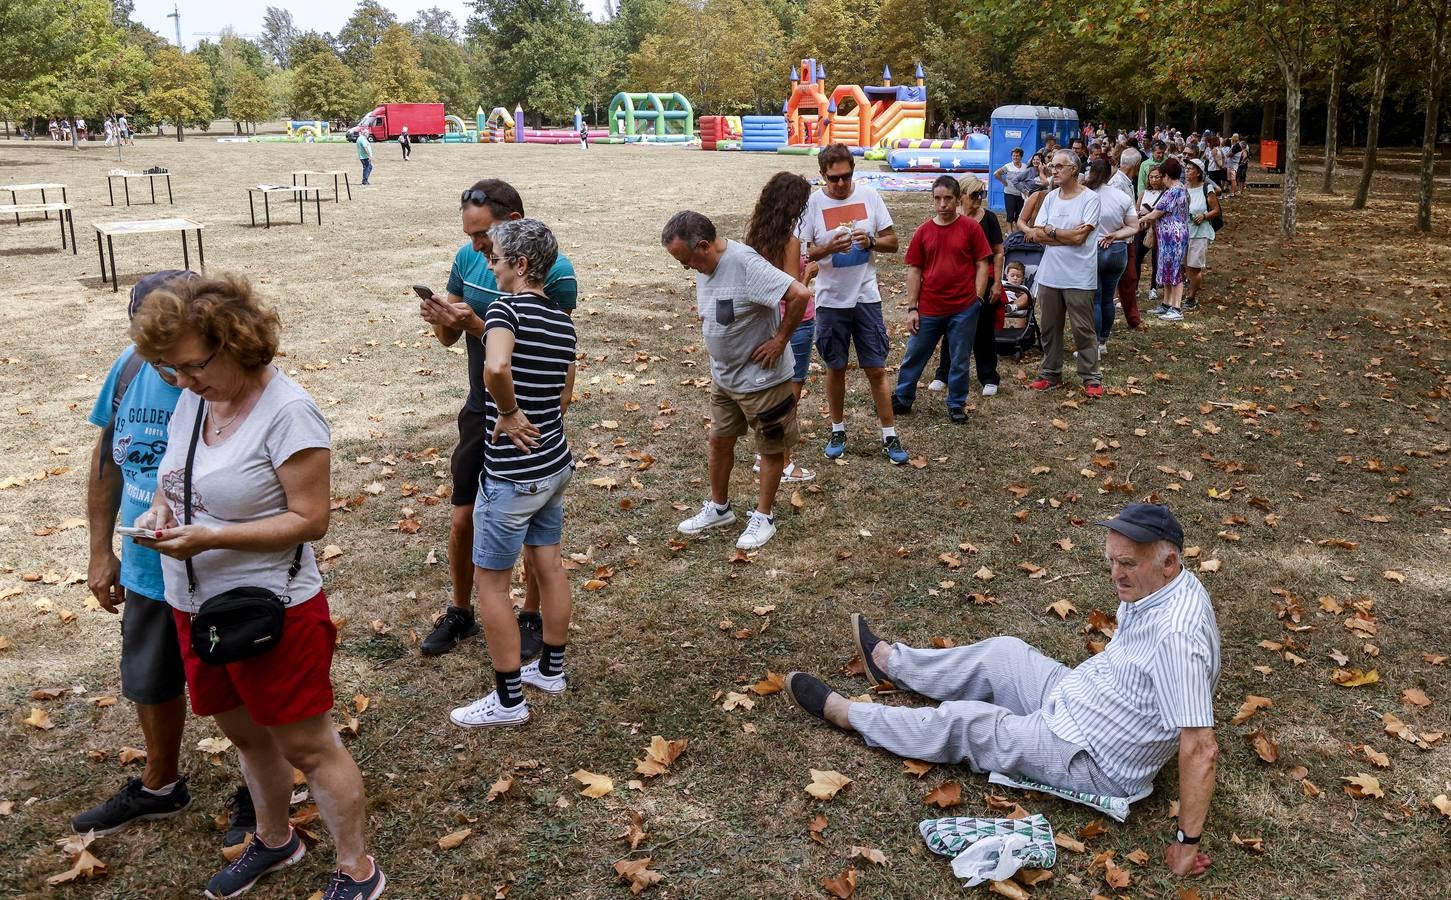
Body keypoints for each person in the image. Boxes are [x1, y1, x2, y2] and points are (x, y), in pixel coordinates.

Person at [784, 502, 1219, 878]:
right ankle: (892, 665)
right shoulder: (1165, 585)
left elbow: (1200, 748)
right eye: (1112, 560)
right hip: (1082, 697)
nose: (1116, 574)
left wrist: (1187, 843)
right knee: (1003, 654)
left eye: (1128, 564)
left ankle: (848, 714)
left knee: (969, 724)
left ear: (1169, 561)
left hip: (1093, 756)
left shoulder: (1177, 638)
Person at [129, 274, 384, 899]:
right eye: (171, 372)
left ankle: (359, 872)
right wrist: (160, 508)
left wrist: (210, 536)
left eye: (191, 366)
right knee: (243, 731)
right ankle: (276, 840)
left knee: (307, 744)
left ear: (236, 341)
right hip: (193, 602)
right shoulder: (197, 397)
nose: (183, 383)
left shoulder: (290, 413)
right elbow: (177, 473)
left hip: (272, 608)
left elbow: (310, 519)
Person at [71, 271, 254, 848]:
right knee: (149, 677)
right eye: (149, 344)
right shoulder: (129, 369)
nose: (167, 367)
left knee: (246, 681)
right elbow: (108, 461)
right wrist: (102, 551)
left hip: (223, 570)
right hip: (149, 564)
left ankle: (262, 790)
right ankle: (159, 785)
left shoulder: (230, 378)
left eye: (176, 353)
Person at [418, 179, 578, 658]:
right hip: (478, 409)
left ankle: (529, 617)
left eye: (484, 238)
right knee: (464, 514)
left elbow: (541, 351)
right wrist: (445, 319)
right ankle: (460, 612)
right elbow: (452, 342)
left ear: (511, 227)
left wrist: (480, 325)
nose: (476, 250)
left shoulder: (558, 275)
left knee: (530, 529)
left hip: (523, 421)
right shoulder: (469, 259)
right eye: (469, 236)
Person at [447, 219, 579, 729]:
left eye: (497, 258)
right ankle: (550, 669)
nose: (491, 264)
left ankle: (507, 700)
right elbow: (565, 394)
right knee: (548, 563)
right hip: (554, 465)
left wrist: (506, 411)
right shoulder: (563, 321)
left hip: (513, 474)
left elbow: (496, 368)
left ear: (520, 265)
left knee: (492, 584)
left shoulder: (505, 310)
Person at [664, 210, 812, 550]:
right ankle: (719, 508)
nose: (686, 267)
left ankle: (764, 517)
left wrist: (779, 341)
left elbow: (800, 295)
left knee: (771, 447)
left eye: (686, 260)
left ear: (703, 245)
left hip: (763, 381)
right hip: (725, 378)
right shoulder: (705, 264)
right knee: (719, 440)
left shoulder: (745, 263)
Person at [797, 143, 909, 465]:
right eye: (834, 179)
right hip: (831, 300)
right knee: (836, 366)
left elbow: (893, 242)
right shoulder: (813, 205)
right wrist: (826, 247)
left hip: (866, 297)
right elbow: (804, 255)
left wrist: (871, 241)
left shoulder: (870, 197)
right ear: (822, 176)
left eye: (846, 176)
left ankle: (889, 435)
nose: (842, 184)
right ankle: (837, 429)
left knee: (875, 367)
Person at [890, 176, 991, 424]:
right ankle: (903, 397)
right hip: (929, 307)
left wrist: (977, 298)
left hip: (964, 307)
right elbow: (914, 270)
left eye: (948, 198)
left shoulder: (971, 228)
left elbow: (982, 263)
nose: (942, 204)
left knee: (959, 358)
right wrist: (912, 307)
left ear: (957, 200)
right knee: (915, 354)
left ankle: (956, 404)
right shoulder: (924, 231)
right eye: (937, 198)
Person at [745, 172, 818, 485]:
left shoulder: (756, 237)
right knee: (791, 391)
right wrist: (810, 273)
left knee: (773, 390)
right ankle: (781, 460)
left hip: (768, 321)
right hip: (796, 323)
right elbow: (791, 289)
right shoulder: (790, 242)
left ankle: (766, 453)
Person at [1022, 151, 1103, 397]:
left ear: (1074, 170)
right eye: (1051, 165)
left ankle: (1091, 377)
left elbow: (1080, 238)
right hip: (1050, 275)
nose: (1053, 170)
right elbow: (1037, 233)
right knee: (1049, 327)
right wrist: (1059, 234)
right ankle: (1050, 373)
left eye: (1059, 166)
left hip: (1079, 275)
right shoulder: (1050, 198)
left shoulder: (1090, 199)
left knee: (1083, 328)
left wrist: (1052, 232)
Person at [927, 174, 1004, 398]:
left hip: (984, 281)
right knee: (950, 329)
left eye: (982, 194)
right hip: (957, 283)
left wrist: (997, 283)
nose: (980, 198)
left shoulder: (988, 219)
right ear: (961, 196)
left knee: (983, 330)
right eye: (975, 194)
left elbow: (998, 253)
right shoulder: (948, 217)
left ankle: (988, 376)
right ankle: (943, 374)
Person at [1086, 159, 1139, 353]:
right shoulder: (1122, 197)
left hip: (1094, 249)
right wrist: (1116, 234)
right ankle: (1102, 341)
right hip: (1118, 250)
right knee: (1108, 298)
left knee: (1096, 299)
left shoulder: (1085, 194)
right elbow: (1134, 226)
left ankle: (1094, 345)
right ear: (1110, 174)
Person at [1140, 157, 1189, 322]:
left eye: (1161, 175)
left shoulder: (1174, 191)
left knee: (1175, 269)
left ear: (1166, 175)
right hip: (1168, 236)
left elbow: (1157, 212)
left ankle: (1176, 308)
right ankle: (1166, 304)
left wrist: (1138, 220)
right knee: (1167, 268)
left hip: (1174, 236)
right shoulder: (1179, 189)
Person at [1183, 159, 1221, 311]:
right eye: (1186, 168)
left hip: (1200, 233)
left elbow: (1216, 210)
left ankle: (1191, 297)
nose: (1187, 171)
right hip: (1184, 232)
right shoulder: (1182, 188)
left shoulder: (1206, 188)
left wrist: (1204, 216)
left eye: (1190, 169)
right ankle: (1186, 291)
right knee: (1184, 266)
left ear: (1198, 172)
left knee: (1194, 267)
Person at [994, 147, 1028, 232]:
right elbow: (996, 173)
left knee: (1019, 213)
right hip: (1009, 193)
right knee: (1010, 213)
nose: (1015, 157)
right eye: (1013, 156)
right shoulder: (1008, 166)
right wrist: (1003, 181)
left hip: (1021, 194)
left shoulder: (1025, 167)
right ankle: (1009, 231)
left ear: (1021, 157)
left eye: (1017, 156)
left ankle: (1016, 230)